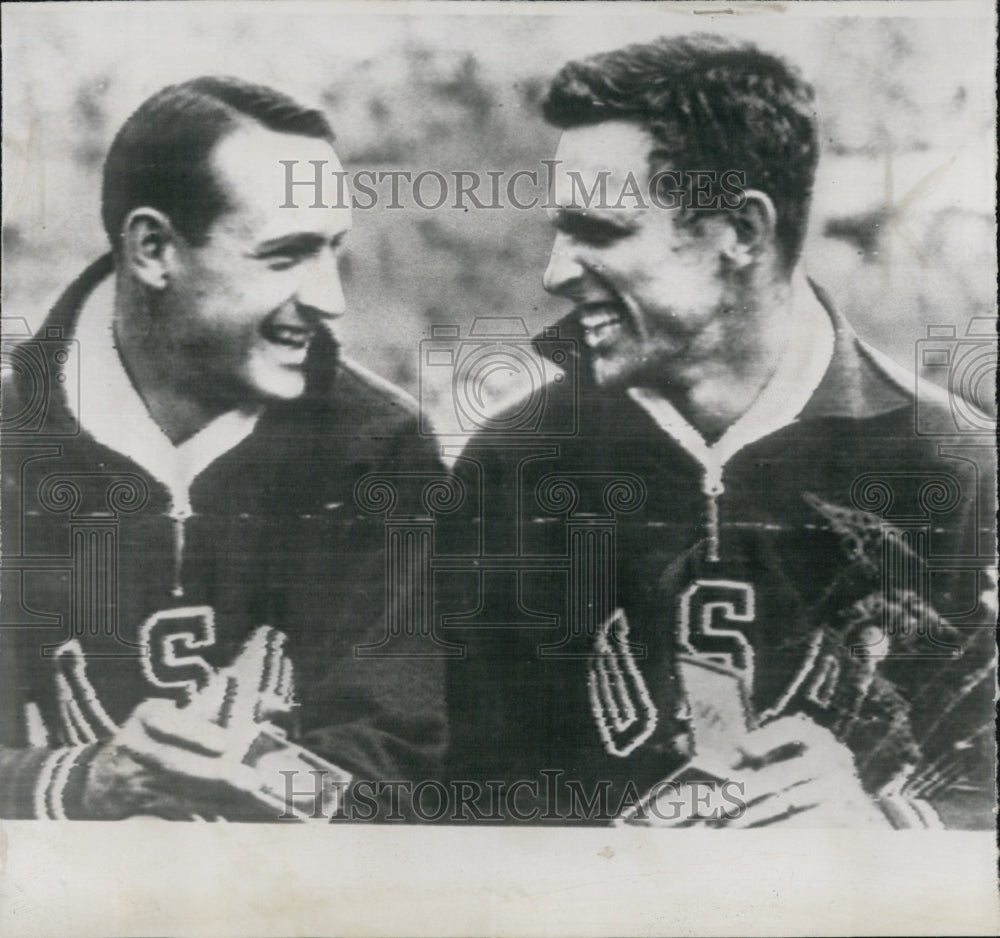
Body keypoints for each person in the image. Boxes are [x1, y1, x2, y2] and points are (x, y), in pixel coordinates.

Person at [441, 35, 996, 828]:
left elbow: (984, 808)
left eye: (599, 231)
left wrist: (879, 835)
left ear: (740, 231)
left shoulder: (954, 471)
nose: (555, 272)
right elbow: (463, 802)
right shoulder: (514, 465)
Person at [0, 77, 446, 820]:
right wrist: (86, 783)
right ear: (152, 249)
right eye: (286, 255)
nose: (330, 298)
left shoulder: (375, 447)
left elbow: (396, 763)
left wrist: (239, 787)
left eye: (334, 251)